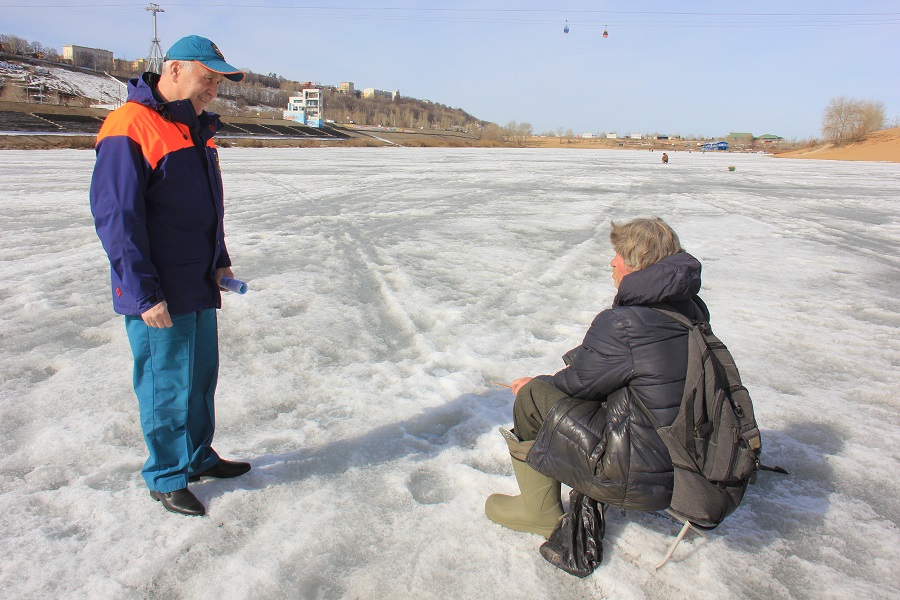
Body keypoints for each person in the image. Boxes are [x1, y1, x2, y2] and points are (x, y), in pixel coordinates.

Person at [90, 35, 250, 516]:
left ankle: (197, 456)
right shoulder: (129, 125)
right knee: (166, 386)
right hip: (157, 289)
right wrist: (141, 291)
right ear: (176, 69)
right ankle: (164, 476)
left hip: (197, 281)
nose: (214, 90)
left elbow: (206, 208)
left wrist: (219, 258)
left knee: (201, 379)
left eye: (220, 81)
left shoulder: (195, 129)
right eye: (209, 77)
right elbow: (118, 218)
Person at [485, 217, 709, 537]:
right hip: (682, 458)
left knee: (533, 398)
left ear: (635, 262)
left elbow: (578, 385)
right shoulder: (689, 307)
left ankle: (538, 513)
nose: (612, 262)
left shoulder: (624, 322)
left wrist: (533, 384)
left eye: (618, 255)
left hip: (642, 470)